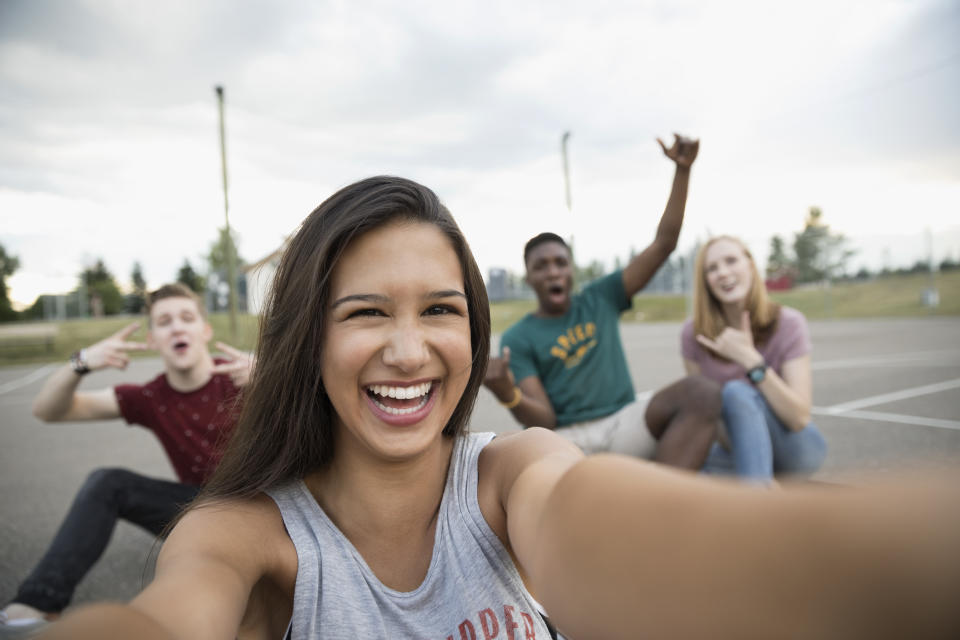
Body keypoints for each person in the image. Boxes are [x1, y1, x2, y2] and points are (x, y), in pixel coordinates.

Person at [37, 177, 960, 639]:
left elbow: (601, 518)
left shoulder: (514, 473)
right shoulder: (244, 535)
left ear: (474, 334)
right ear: (307, 341)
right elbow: (161, 622)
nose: (409, 349)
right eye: (365, 313)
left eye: (441, 311)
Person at [0, 284, 252, 635]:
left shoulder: (246, 376)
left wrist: (271, 379)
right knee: (108, 482)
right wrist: (81, 362)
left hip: (260, 504)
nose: (177, 327)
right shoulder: (150, 397)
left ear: (204, 330)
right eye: (164, 322)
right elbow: (48, 410)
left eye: (186, 318)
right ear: (152, 340)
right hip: (199, 510)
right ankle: (35, 605)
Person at [484, 134, 721, 469]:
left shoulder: (601, 296)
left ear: (572, 271)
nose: (553, 272)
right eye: (541, 266)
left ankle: (663, 507)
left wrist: (682, 171)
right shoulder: (519, 337)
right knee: (499, 454)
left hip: (624, 424)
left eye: (560, 263)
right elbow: (546, 420)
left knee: (702, 393)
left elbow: (664, 244)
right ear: (528, 279)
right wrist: (507, 392)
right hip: (568, 439)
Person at [682, 235, 827, 483]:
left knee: (737, 392)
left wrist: (750, 360)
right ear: (705, 281)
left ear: (750, 264)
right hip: (734, 449)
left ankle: (757, 502)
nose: (723, 273)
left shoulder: (789, 323)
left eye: (731, 261)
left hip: (794, 446)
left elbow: (799, 418)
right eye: (712, 268)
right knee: (688, 473)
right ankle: (760, 482)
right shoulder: (694, 334)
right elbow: (706, 416)